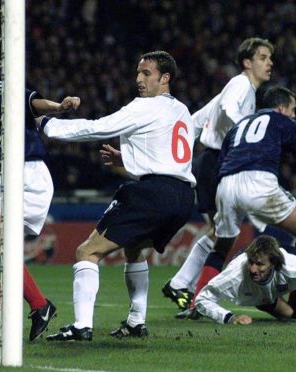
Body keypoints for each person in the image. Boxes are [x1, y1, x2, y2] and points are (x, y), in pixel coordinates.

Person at [42, 51, 196, 341]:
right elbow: (165, 154)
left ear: (165, 78)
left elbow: (97, 128)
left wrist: (48, 126)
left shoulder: (145, 106)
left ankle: (80, 327)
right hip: (183, 197)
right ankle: (136, 322)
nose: (138, 79)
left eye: (146, 74)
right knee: (134, 248)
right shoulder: (182, 111)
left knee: (86, 252)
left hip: (153, 194)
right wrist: (127, 158)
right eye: (137, 73)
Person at [0, 51, 81, 341]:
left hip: (26, 177)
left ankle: (40, 305)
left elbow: (30, 102)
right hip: (5, 180)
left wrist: (58, 106)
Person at [179, 85, 296, 320]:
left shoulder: (241, 124)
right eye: (293, 109)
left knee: (222, 246)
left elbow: (224, 155)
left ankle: (198, 303)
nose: (294, 115)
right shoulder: (282, 120)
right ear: (281, 107)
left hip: (226, 183)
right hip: (258, 181)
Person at [161, 37, 275, 311]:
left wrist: (178, 147)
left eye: (270, 58)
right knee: (223, 235)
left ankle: (182, 284)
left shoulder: (238, 88)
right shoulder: (240, 84)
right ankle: (186, 288)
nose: (269, 63)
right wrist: (248, 131)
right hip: (214, 163)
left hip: (214, 163)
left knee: (221, 234)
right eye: (262, 57)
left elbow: (200, 117)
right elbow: (227, 109)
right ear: (247, 63)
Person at [195, 235, 296, 325]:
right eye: (251, 262)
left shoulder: (291, 265)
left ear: (273, 263)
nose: (252, 269)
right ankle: (295, 306)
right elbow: (202, 299)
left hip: (289, 276)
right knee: (287, 314)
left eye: (260, 264)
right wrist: (229, 318)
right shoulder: (235, 274)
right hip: (259, 292)